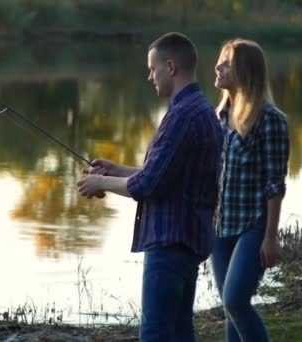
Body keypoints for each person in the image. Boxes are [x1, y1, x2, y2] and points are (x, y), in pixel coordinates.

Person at [76, 32, 223, 341]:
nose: (149, 76)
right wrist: (117, 169)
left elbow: (147, 185)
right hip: (187, 239)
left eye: (152, 69)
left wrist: (100, 181)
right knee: (180, 332)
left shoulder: (182, 115)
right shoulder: (200, 109)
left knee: (155, 334)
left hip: (170, 242)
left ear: (170, 67)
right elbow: (165, 175)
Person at [211, 38, 290, 342]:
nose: (217, 67)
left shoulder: (271, 120)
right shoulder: (218, 118)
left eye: (226, 63)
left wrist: (270, 238)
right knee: (231, 309)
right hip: (220, 228)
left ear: (245, 71)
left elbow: (275, 185)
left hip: (252, 228)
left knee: (234, 301)